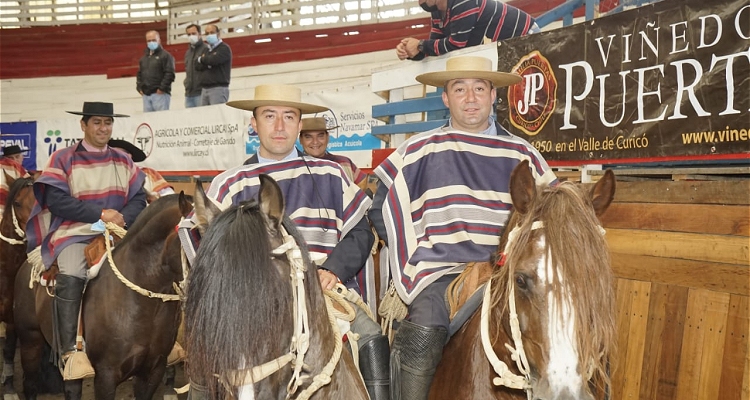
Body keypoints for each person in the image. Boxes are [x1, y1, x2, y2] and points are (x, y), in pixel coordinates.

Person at [180, 84, 389, 400]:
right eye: (269, 116)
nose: (280, 126)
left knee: (372, 337)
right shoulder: (228, 184)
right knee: (206, 352)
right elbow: (208, 253)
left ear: (300, 124)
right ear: (253, 123)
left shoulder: (331, 174)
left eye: (289, 117)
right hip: (249, 300)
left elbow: (360, 234)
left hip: (324, 289)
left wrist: (332, 269)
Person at [368, 56, 557, 400]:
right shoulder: (417, 150)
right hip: (442, 271)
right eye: (460, 89)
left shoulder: (523, 154)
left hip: (507, 272)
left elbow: (552, 213)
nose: (470, 98)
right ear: (445, 97)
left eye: (479, 88)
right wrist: (416, 257)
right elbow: (382, 208)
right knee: (425, 327)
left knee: (559, 325)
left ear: (493, 95)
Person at [25, 102, 147, 379]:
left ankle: (157, 343)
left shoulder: (122, 159)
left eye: (108, 122)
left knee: (148, 268)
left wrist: (119, 219)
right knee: (72, 272)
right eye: (97, 122)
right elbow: (56, 201)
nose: (103, 128)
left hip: (119, 233)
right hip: (75, 233)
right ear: (83, 125)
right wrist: (100, 214)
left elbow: (139, 198)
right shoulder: (62, 158)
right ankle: (70, 351)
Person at [396, 0, 539, 61]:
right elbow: (435, 48)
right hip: (503, 49)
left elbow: (456, 44)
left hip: (525, 37)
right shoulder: (437, 11)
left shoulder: (462, 2)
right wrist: (411, 51)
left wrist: (420, 45)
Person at [299, 117, 367, 188]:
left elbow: (365, 187)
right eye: (308, 137)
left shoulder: (344, 163)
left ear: (327, 137)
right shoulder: (294, 167)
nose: (315, 142)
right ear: (300, 140)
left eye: (320, 136)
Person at [107, 139, 175, 203]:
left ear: (129, 156)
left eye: (118, 154)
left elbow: (169, 197)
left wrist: (155, 199)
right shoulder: (103, 174)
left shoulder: (148, 173)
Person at [136, 30, 176, 112]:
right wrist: (139, 88)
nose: (151, 42)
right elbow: (140, 74)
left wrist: (161, 89)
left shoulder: (166, 56)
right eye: (149, 41)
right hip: (146, 95)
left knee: (161, 120)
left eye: (154, 40)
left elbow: (170, 73)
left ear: (159, 40)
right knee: (149, 122)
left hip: (160, 95)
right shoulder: (143, 59)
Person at [195, 24, 232, 106]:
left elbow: (213, 60)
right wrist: (207, 62)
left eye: (212, 32)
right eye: (207, 33)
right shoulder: (206, 49)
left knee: (217, 115)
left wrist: (202, 60)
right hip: (204, 89)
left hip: (218, 88)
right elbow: (197, 65)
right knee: (204, 116)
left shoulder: (224, 49)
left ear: (218, 34)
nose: (209, 35)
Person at [0, 145, 30, 218]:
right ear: (6, 159)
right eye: (10, 158)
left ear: (22, 157)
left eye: (17, 157)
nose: (14, 160)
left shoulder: (26, 175)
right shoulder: (7, 167)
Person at [184, 24, 207, 108]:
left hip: (200, 92)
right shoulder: (188, 53)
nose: (191, 36)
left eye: (193, 33)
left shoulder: (206, 49)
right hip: (189, 93)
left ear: (199, 34)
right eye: (189, 34)